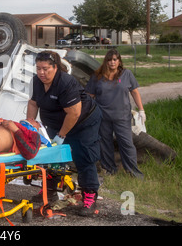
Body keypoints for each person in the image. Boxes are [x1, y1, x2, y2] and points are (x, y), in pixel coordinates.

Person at [27, 51, 102, 216]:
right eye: (38, 68)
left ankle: (89, 196)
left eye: (45, 69)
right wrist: (30, 124)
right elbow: (33, 102)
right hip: (56, 122)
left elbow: (74, 113)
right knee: (52, 155)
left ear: (55, 68)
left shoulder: (66, 83)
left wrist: (61, 136)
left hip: (83, 121)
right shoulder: (36, 81)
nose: (41, 72)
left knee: (83, 154)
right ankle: (50, 190)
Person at [85, 49, 145, 179]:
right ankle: (109, 170)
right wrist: (86, 113)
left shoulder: (126, 74)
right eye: (109, 60)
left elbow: (134, 92)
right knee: (105, 143)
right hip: (103, 116)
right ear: (106, 61)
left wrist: (141, 109)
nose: (112, 62)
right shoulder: (97, 76)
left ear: (119, 61)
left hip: (122, 116)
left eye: (115, 59)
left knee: (126, 144)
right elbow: (89, 96)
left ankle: (133, 173)